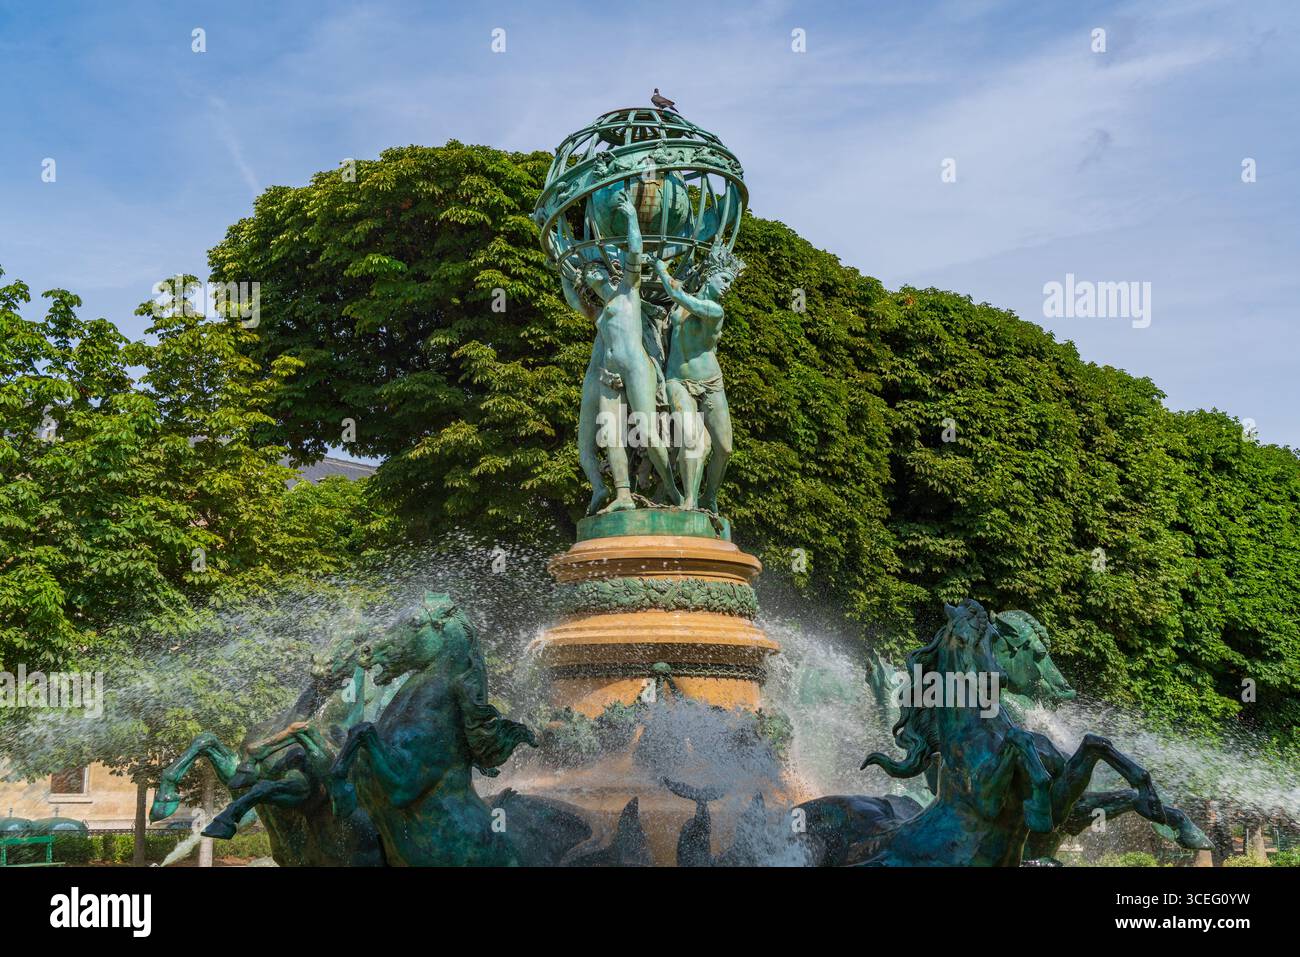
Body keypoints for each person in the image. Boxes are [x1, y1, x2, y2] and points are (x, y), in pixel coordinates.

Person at [652, 249, 744, 513]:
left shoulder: (714, 310)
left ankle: (709, 496)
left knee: (724, 448)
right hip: (677, 381)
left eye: (731, 283)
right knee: (692, 440)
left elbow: (677, 294)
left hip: (711, 382)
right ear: (710, 277)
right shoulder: (680, 305)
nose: (728, 287)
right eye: (725, 280)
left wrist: (660, 268)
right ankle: (690, 499)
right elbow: (675, 294)